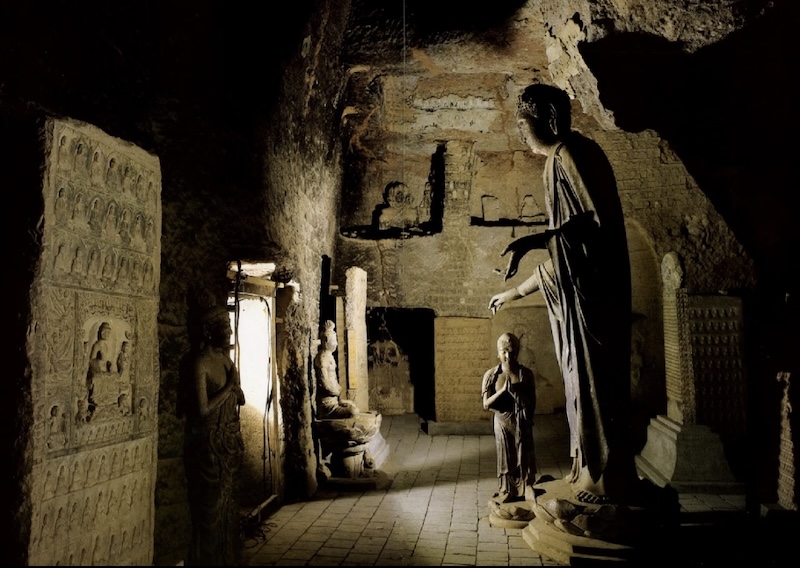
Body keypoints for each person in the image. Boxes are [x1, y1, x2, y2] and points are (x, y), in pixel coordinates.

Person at [488, 83, 636, 504]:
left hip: (596, 300)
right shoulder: (555, 161)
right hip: (578, 294)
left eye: (524, 122)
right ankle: (588, 472)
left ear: (550, 119)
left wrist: (533, 239)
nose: (521, 132)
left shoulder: (571, 153)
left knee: (597, 383)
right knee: (578, 384)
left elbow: (593, 226)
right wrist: (514, 292)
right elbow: (561, 260)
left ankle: (608, 482)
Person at [181, 301, 245, 566]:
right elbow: (202, 409)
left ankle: (227, 558)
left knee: (229, 508)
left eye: (230, 328)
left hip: (228, 442)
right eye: (225, 328)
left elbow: (239, 399)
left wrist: (236, 386)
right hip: (207, 444)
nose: (230, 333)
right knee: (209, 511)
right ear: (209, 331)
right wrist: (229, 386)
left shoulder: (225, 360)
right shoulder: (200, 364)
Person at [482, 332, 537, 503]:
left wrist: (516, 393)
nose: (508, 356)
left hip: (521, 420)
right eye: (504, 351)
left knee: (524, 455)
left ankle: (527, 485)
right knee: (506, 456)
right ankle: (506, 489)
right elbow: (486, 404)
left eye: (512, 351)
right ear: (498, 352)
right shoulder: (491, 375)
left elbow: (531, 404)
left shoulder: (526, 374)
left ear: (517, 351)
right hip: (501, 421)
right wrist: (503, 392)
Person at [314, 320, 359, 419]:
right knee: (353, 411)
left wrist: (337, 388)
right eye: (334, 341)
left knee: (352, 405)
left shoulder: (329, 356)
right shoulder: (322, 357)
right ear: (326, 340)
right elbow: (324, 383)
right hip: (327, 404)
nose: (336, 344)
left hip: (334, 400)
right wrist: (336, 391)